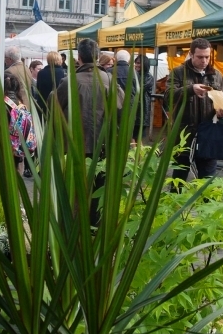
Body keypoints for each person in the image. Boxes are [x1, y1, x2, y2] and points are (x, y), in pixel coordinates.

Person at [54, 39, 124, 224]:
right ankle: (94, 228)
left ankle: (75, 229)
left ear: (79, 57)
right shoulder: (110, 80)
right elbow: (120, 110)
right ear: (97, 56)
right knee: (98, 191)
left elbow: (54, 109)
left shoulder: (69, 81)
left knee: (75, 192)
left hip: (75, 146)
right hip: (103, 146)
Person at [169, 38, 223, 181]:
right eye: (200, 57)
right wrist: (190, 89)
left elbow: (222, 100)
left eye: (207, 57)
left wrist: (221, 112)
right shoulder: (178, 73)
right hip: (184, 134)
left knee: (207, 180)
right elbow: (167, 97)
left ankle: (204, 203)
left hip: (208, 134)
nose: (204, 61)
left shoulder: (217, 75)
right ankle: (177, 203)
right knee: (179, 179)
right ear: (191, 54)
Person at [4, 74, 37, 178]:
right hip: (19, 144)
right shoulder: (21, 104)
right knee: (15, 169)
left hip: (7, 142)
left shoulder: (2, 102)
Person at [112, 50, 143, 141]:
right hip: (130, 107)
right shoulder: (134, 73)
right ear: (129, 60)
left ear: (116, 59)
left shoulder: (109, 71)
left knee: (114, 133)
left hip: (114, 107)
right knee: (128, 133)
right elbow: (138, 90)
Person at [133, 54, 154, 141]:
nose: (137, 65)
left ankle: (138, 154)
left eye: (139, 63)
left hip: (142, 110)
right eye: (136, 63)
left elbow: (139, 90)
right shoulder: (134, 75)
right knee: (134, 136)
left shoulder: (148, 77)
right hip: (134, 108)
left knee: (137, 136)